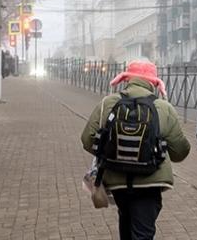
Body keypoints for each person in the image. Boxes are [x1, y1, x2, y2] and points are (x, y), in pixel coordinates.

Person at [81, 60, 190, 240]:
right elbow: (180, 152)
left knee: (126, 222)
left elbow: (87, 139)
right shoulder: (163, 107)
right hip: (150, 181)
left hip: (117, 181)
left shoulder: (108, 103)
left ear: (127, 79)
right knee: (143, 233)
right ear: (153, 82)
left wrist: (112, 152)